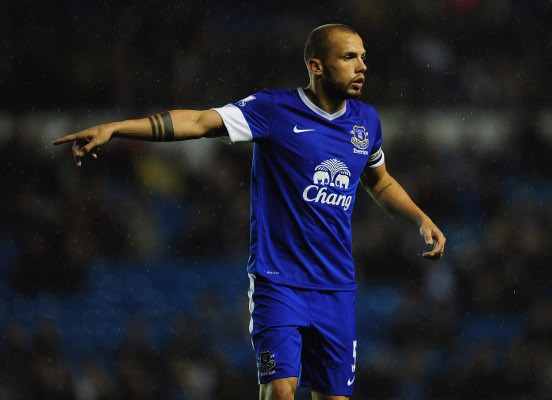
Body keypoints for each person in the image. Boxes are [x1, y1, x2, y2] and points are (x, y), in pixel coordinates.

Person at [53, 24, 446, 400]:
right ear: (316, 66)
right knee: (280, 389)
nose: (362, 66)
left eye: (362, 57)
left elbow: (379, 182)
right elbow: (199, 121)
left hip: (336, 287)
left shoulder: (367, 121)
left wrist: (421, 218)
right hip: (279, 282)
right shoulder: (274, 109)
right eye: (348, 57)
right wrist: (116, 127)